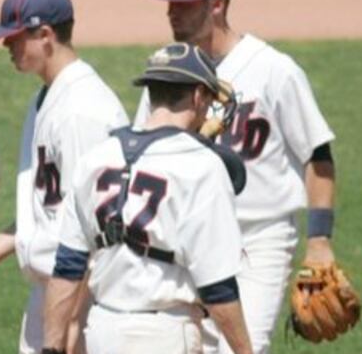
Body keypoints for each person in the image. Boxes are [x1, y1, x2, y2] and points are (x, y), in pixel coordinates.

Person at [136, 0, 338, 353]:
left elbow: (317, 156)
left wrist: (319, 240)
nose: (171, 13)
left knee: (243, 347)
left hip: (259, 238)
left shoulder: (274, 70)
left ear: (217, 4)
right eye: (170, 3)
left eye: (183, 3)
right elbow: (143, 150)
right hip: (187, 237)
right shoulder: (169, 71)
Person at [42, 42, 253, 354]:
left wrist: (51, 347)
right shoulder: (202, 166)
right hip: (162, 336)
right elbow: (218, 288)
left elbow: (68, 268)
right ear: (198, 96)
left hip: (101, 331)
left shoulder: (96, 158)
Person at [0, 0, 129, 354]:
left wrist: (68, 325)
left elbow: (97, 225)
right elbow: (54, 206)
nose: (5, 45)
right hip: (56, 292)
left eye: (14, 37)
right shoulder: (49, 97)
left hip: (81, 297)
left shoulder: (81, 110)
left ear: (45, 35)